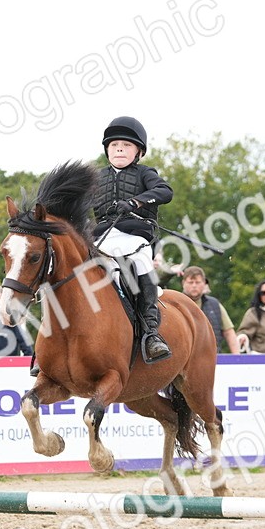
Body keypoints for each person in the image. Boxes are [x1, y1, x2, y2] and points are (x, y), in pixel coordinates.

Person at [90, 116, 174, 363]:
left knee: (141, 264)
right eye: (114, 144)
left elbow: (165, 192)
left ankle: (150, 333)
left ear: (138, 151)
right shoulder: (95, 177)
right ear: (107, 149)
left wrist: (135, 202)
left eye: (126, 145)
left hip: (137, 236)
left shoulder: (145, 173)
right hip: (102, 238)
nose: (118, 149)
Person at [179, 266, 239, 354]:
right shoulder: (176, 304)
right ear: (183, 283)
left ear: (204, 283)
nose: (194, 285)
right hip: (184, 359)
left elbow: (229, 332)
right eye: (191, 282)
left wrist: (237, 358)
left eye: (198, 282)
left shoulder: (215, 305)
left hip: (212, 358)